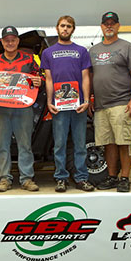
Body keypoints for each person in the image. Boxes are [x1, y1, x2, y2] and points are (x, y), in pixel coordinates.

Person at [0, 26, 43, 192]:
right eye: (6, 40)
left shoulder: (29, 59)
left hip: (23, 108)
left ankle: (27, 178)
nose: (10, 43)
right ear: (2, 42)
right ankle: (4, 179)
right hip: (0, 109)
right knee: (2, 145)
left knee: (25, 145)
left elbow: (40, 76)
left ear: (18, 41)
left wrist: (39, 81)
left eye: (13, 39)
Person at [89, 12, 131, 192]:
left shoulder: (127, 47)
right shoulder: (94, 50)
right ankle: (112, 176)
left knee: (124, 141)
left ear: (118, 26)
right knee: (108, 143)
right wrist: (90, 97)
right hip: (101, 105)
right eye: (106, 23)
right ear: (102, 26)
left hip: (122, 102)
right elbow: (90, 76)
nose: (109, 26)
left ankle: (125, 178)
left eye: (113, 23)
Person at [41, 15, 95, 192]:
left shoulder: (81, 51)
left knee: (80, 144)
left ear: (73, 29)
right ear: (57, 28)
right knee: (59, 144)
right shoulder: (48, 53)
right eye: (62, 26)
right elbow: (48, 79)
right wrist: (49, 102)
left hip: (78, 105)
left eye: (69, 26)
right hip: (59, 107)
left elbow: (86, 77)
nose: (65, 29)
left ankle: (81, 178)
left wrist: (86, 100)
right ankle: (61, 178)